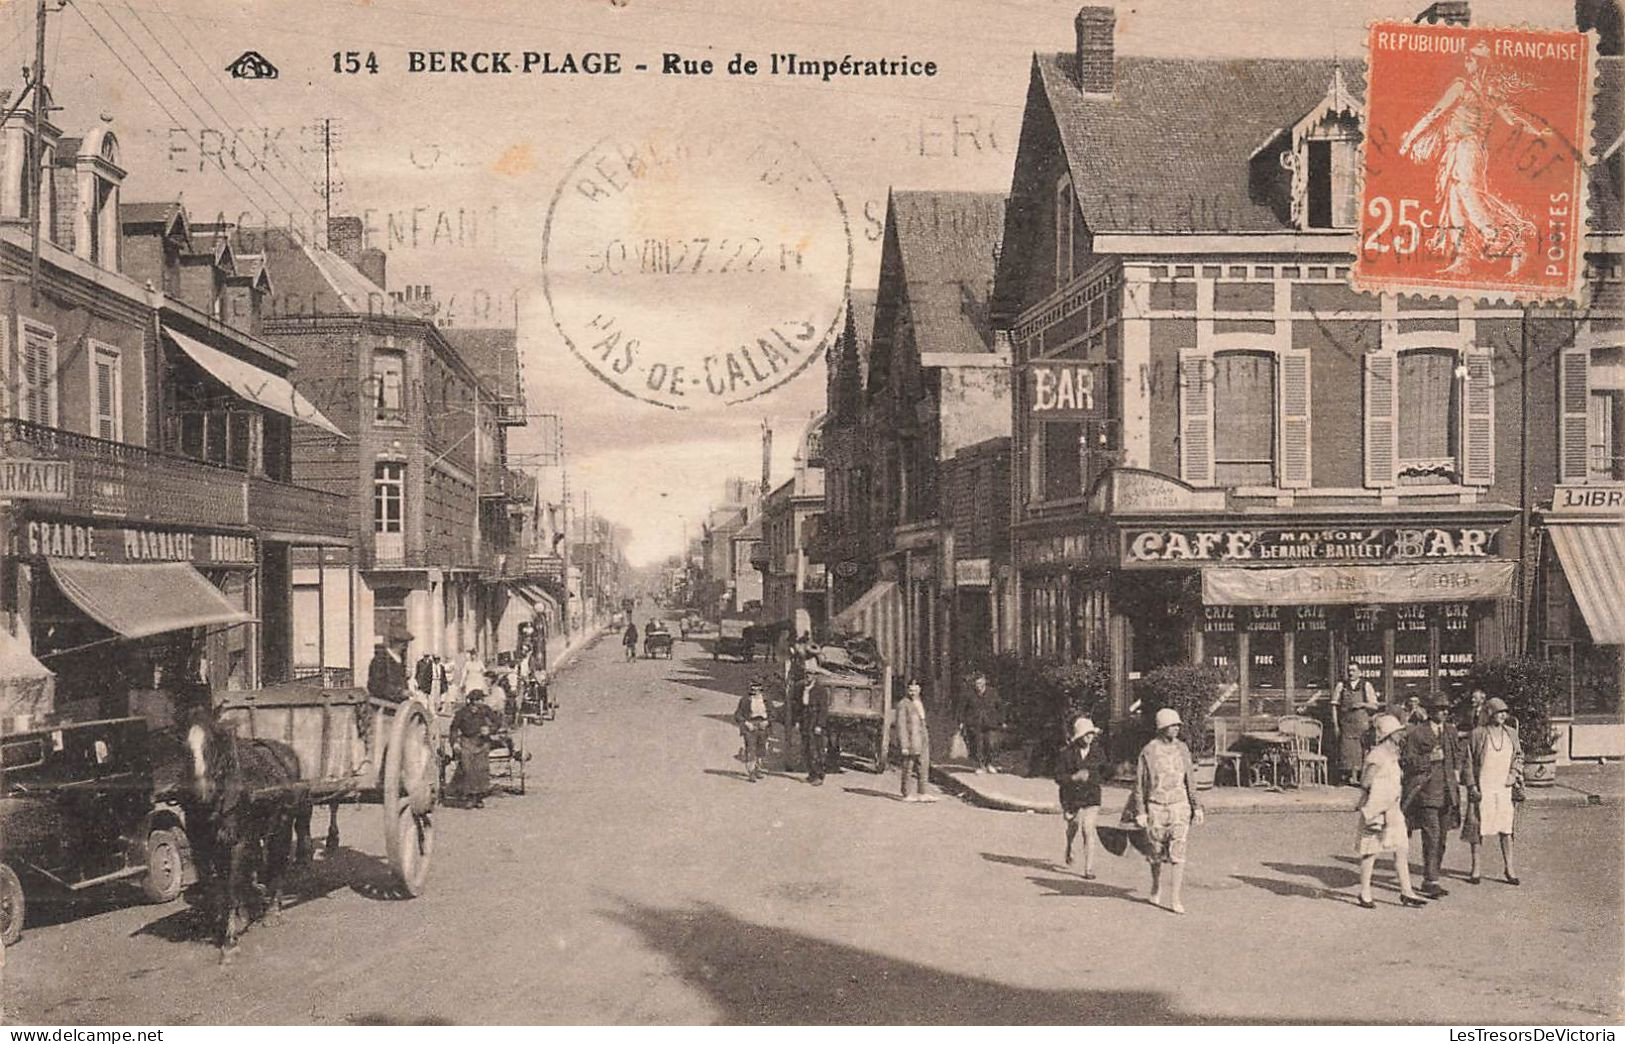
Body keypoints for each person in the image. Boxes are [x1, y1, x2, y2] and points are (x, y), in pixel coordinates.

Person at [1131, 708, 1204, 914]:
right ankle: (1156, 886)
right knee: (1155, 852)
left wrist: (1196, 806)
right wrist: (1140, 811)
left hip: (1179, 806)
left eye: (1178, 725)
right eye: (1173, 725)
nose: (1177, 729)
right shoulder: (1149, 750)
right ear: (1162, 727)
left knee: (1178, 853)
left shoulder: (1182, 748)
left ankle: (1175, 898)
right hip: (1156, 807)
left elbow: (1190, 779)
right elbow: (1139, 783)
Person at [1355, 713, 1430, 909]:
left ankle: (1406, 891)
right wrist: (1378, 799)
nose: (1401, 735)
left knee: (1401, 847)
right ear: (1388, 734)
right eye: (1397, 732)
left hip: (1393, 808)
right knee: (1370, 851)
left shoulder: (1393, 753)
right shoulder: (1377, 755)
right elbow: (1365, 782)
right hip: (1377, 809)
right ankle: (1365, 893)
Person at [1402, 692, 1465, 898]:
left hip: (1448, 792)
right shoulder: (1417, 733)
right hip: (1427, 793)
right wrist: (1430, 758)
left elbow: (1457, 757)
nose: (1445, 712)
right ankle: (1430, 880)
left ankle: (1433, 876)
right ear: (1430, 711)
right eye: (1440, 709)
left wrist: (1459, 778)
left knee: (1443, 839)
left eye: (1446, 709)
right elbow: (1408, 761)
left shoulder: (1451, 731)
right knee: (1432, 836)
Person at [1462, 696, 1524, 885]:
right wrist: (1472, 786)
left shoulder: (1511, 733)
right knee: (1477, 827)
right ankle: (1476, 868)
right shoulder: (1478, 734)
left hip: (1504, 787)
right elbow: (1468, 762)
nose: (1502, 716)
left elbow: (1519, 756)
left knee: (1506, 828)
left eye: (1504, 712)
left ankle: (1509, 868)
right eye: (1498, 712)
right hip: (1484, 787)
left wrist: (1514, 774)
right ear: (1489, 713)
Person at [1056, 716, 1106, 877]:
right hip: (1072, 796)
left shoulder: (1098, 752)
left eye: (1091, 734)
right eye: (1086, 734)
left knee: (1088, 828)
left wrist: (1095, 775)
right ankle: (1069, 846)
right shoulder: (1067, 753)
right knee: (1074, 826)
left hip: (1091, 795)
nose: (1089, 737)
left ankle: (1088, 868)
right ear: (1079, 736)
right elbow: (1058, 776)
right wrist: (1073, 778)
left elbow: (1106, 771)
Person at [449, 688, 501, 808]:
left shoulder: (485, 710)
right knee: (468, 769)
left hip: (482, 742)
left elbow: (497, 722)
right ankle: (469, 796)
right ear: (471, 701)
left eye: (481, 699)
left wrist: (490, 729)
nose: (480, 702)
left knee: (481, 769)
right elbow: (453, 729)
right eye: (478, 700)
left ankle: (478, 797)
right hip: (467, 741)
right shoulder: (462, 713)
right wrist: (454, 743)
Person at [1331, 662, 1380, 786]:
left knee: (1361, 750)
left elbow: (1374, 705)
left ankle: (1360, 778)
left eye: (1353, 670)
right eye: (1349, 671)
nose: (1351, 673)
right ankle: (1347, 777)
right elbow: (1334, 705)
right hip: (1346, 723)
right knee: (1346, 750)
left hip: (1361, 723)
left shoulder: (1366, 685)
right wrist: (1335, 724)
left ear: (1360, 672)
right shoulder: (1341, 686)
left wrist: (1363, 704)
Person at [895, 679, 935, 802]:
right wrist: (904, 745)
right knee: (908, 766)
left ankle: (923, 792)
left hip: (922, 737)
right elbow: (901, 726)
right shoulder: (903, 704)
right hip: (911, 739)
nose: (913, 693)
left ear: (920, 690)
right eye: (910, 690)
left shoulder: (921, 702)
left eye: (915, 690)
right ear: (907, 690)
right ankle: (906, 793)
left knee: (923, 765)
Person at [961, 672, 1000, 774]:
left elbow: (1000, 706)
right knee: (977, 744)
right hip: (975, 723)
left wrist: (1001, 720)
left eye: (981, 684)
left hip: (990, 723)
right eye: (977, 684)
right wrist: (962, 721)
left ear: (985, 683)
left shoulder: (992, 693)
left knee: (990, 743)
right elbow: (962, 709)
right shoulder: (969, 694)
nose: (979, 686)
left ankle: (989, 764)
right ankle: (980, 765)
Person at [734, 681, 771, 782]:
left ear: (761, 689)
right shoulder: (745, 700)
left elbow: (773, 713)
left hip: (763, 725)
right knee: (751, 748)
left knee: (762, 748)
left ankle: (758, 769)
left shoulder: (766, 700)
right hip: (750, 726)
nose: (755, 691)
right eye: (753, 689)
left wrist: (767, 721)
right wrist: (746, 723)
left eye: (757, 689)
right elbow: (738, 715)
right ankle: (751, 772)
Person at [802, 660, 830, 786]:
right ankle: (811, 773)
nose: (808, 676)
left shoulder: (820, 690)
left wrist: (820, 725)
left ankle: (819, 775)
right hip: (805, 721)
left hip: (815, 720)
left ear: (815, 676)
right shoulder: (803, 688)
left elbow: (823, 709)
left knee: (816, 749)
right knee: (806, 748)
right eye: (807, 674)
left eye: (811, 674)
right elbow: (799, 706)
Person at [366, 635, 408, 703]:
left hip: (397, 705)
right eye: (404, 646)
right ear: (400, 645)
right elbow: (375, 686)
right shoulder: (381, 660)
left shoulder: (398, 660)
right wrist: (399, 692)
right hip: (383, 707)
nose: (405, 650)